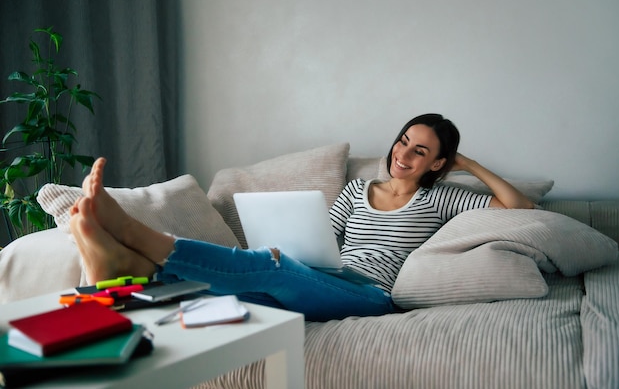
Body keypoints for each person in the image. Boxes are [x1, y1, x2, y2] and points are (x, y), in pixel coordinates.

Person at [69, 114, 534, 322]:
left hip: (371, 294)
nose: (403, 153)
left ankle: (134, 234)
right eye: (403, 141)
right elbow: (321, 239)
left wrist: (468, 165)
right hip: (321, 274)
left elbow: (522, 207)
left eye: (421, 150)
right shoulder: (357, 189)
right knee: (236, 297)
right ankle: (127, 274)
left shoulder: (444, 198)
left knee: (270, 265)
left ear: (437, 162)